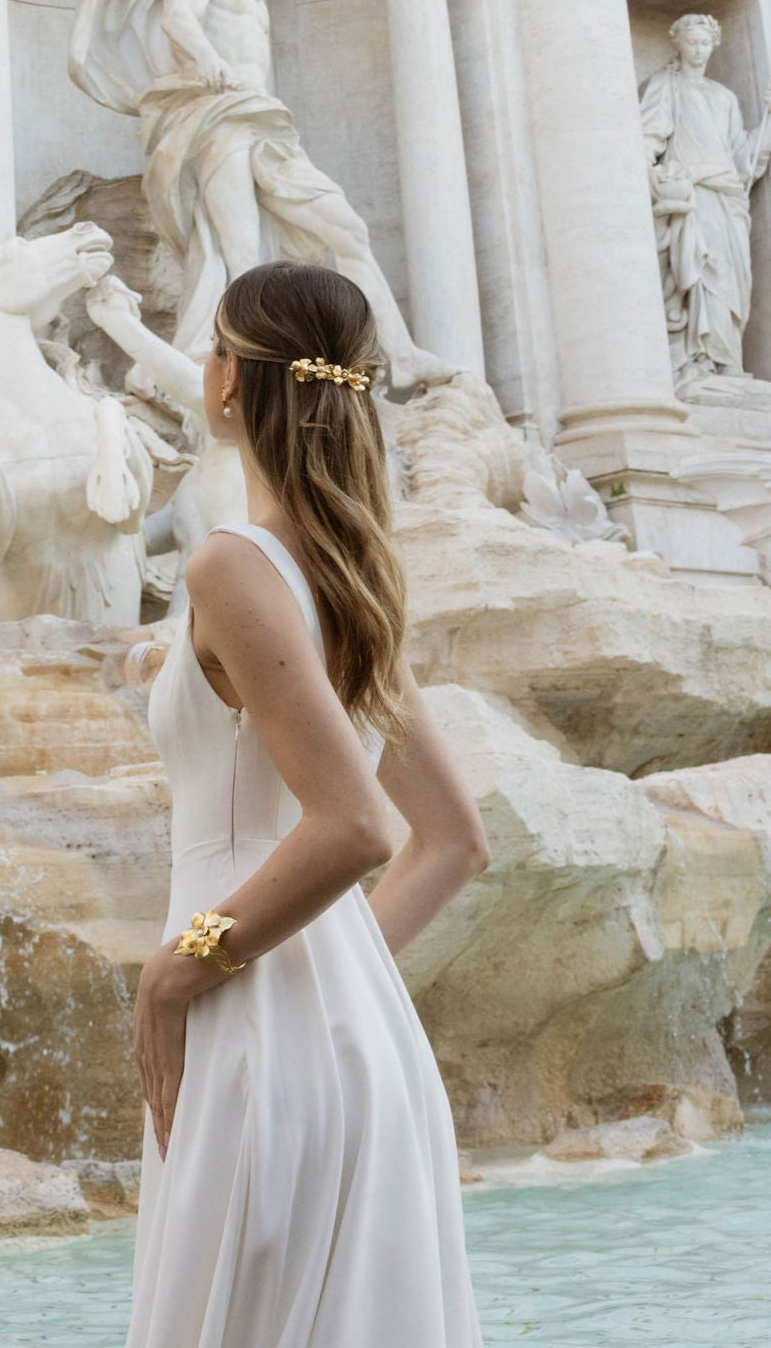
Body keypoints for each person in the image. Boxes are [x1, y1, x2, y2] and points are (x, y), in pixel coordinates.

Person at [126, 260, 490, 1347]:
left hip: (249, 1034)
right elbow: (454, 843)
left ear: (229, 379)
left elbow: (359, 828)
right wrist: (333, 973)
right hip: (355, 1034)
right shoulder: (348, 576)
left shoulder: (232, 567)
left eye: (212, 345)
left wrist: (181, 967)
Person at [69, 0, 456, 387]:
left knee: (349, 231)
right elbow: (177, 16)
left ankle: (403, 356)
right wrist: (206, 56)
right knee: (242, 253)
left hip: (263, 120)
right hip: (218, 117)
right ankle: (255, 369)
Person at [639, 12, 771, 388]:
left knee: (732, 280)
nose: (699, 50)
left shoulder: (724, 97)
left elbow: (743, 158)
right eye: (692, 42)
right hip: (694, 193)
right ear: (678, 44)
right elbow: (650, 136)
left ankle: (729, 360)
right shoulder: (665, 85)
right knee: (704, 272)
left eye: (705, 43)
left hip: (728, 196)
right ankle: (700, 358)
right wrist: (649, 172)